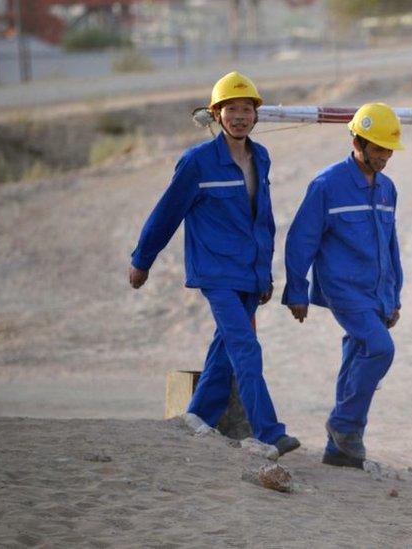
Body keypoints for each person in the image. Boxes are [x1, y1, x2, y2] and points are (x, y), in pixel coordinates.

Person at [128, 71, 300, 456]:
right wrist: (142, 259)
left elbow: (264, 219)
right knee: (246, 347)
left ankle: (198, 416)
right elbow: (166, 213)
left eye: (246, 109)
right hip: (216, 273)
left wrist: (265, 273)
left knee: (225, 346)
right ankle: (269, 431)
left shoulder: (262, 157)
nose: (240, 116)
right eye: (231, 109)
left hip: (249, 273)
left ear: (256, 115)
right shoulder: (197, 163)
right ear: (216, 114)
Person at [282, 102, 404, 469]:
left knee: (356, 354)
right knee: (380, 349)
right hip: (342, 288)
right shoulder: (327, 185)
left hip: (377, 291)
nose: (384, 157)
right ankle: (344, 424)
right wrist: (296, 289)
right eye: (378, 148)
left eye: (388, 150)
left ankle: (339, 451)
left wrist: (394, 296)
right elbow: (301, 239)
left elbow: (391, 245)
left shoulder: (387, 190)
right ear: (357, 140)